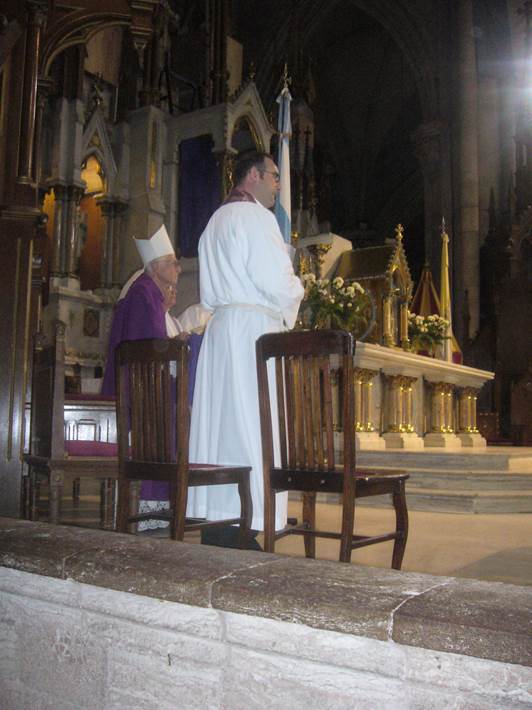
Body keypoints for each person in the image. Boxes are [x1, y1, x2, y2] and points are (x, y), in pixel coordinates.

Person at [187, 151, 304, 549]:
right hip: (252, 333)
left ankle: (218, 519)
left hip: (221, 333)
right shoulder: (256, 218)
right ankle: (250, 517)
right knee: (253, 423)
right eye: (274, 176)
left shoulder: (214, 221)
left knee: (222, 429)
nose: (278, 185)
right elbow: (276, 281)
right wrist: (299, 290)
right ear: (253, 175)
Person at [102, 223, 209, 529]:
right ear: (155, 266)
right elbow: (149, 348)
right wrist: (180, 342)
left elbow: (153, 339)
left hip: (147, 384)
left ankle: (164, 508)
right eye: (172, 262)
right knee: (172, 416)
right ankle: (153, 511)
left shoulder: (147, 291)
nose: (178, 268)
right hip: (143, 391)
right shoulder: (143, 293)